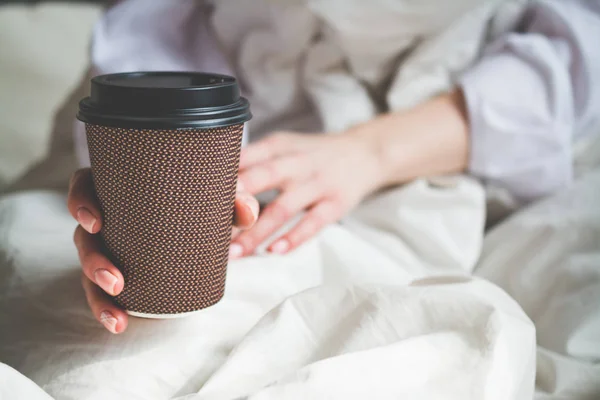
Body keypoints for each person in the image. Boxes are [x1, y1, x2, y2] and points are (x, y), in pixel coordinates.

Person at [67, 0, 600, 333]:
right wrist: (149, 175)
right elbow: (151, 44)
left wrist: (368, 152)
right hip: (242, 152)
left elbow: (579, 50)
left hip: (454, 137)